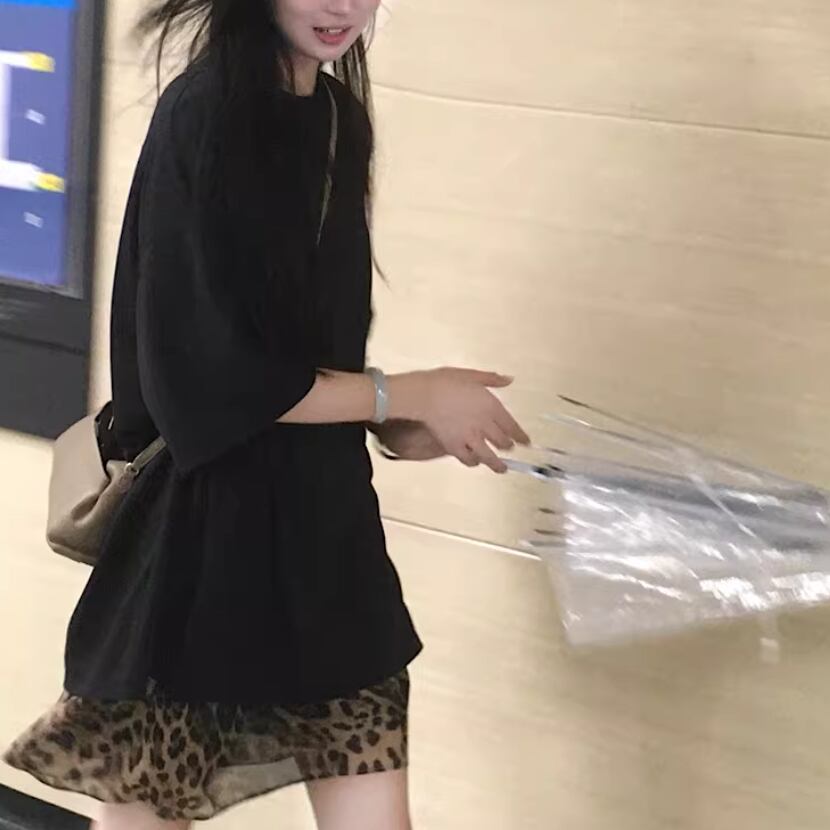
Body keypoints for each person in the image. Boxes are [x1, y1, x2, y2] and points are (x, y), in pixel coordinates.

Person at [3, 1, 529, 827]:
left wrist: (396, 421)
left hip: (326, 541)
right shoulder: (203, 115)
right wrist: (405, 393)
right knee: (146, 814)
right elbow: (204, 384)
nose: (343, 5)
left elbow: (305, 356)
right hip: (203, 543)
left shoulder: (336, 121)